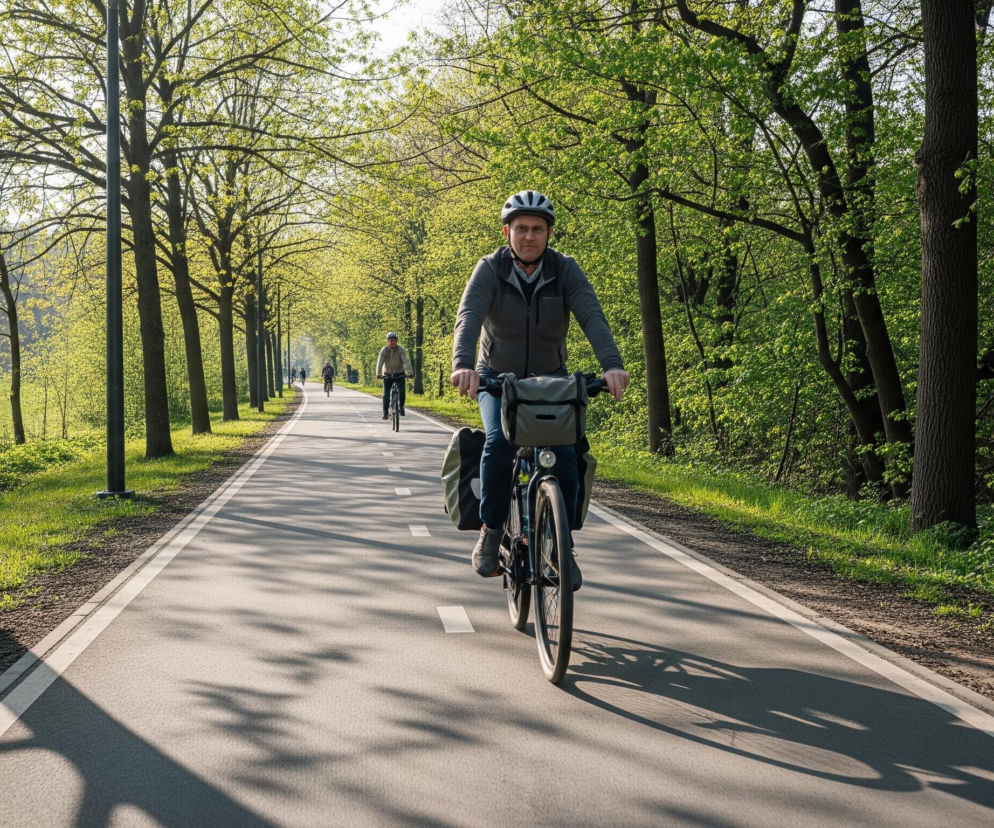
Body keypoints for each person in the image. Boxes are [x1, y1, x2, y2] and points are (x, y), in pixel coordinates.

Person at [450, 189, 630, 586]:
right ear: (507, 232)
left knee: (566, 453)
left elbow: (592, 316)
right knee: (498, 444)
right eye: (521, 229)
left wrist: (612, 366)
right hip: (497, 380)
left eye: (537, 229)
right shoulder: (489, 269)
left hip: (550, 383)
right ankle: (491, 530)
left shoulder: (565, 270)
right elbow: (469, 316)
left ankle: (559, 546)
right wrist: (463, 366)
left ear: (549, 234)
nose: (529, 236)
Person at [376, 332, 414, 419]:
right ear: (387, 341)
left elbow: (406, 361)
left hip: (399, 373)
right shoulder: (384, 350)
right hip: (387, 374)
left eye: (394, 340)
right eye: (390, 341)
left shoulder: (401, 349)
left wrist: (410, 372)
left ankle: (401, 407)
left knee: (402, 391)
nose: (392, 342)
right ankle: (385, 413)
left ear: (397, 341)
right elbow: (380, 362)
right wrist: (378, 373)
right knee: (386, 394)